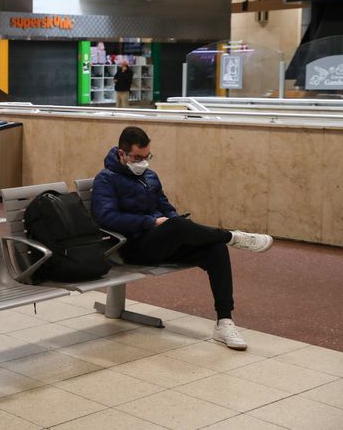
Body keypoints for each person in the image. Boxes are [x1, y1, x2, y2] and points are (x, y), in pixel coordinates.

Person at [91, 126, 274, 350]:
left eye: (147, 156)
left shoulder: (149, 176)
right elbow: (106, 217)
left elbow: (166, 208)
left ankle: (224, 321)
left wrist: (172, 223)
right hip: (133, 247)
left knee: (214, 247)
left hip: (161, 240)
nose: (143, 162)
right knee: (178, 226)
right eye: (137, 157)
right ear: (122, 154)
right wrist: (152, 222)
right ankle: (232, 236)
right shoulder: (106, 179)